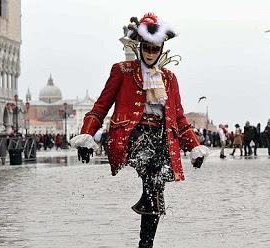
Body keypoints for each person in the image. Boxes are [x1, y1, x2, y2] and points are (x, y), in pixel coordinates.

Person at [70, 13, 209, 248]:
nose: (150, 53)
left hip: (162, 139)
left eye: (155, 49)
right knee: (154, 173)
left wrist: (194, 146)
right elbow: (101, 106)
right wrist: (86, 137)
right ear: (140, 46)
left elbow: (179, 118)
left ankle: (145, 244)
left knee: (156, 187)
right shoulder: (122, 71)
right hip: (132, 135)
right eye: (147, 48)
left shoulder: (169, 78)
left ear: (161, 48)